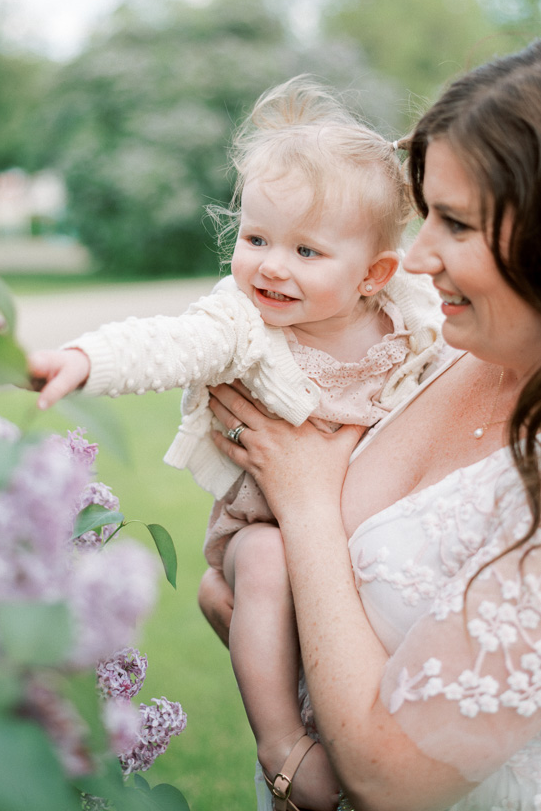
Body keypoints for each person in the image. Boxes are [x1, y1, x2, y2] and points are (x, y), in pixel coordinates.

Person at [28, 76, 444, 811]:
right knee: (263, 564)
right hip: (268, 520)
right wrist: (85, 359)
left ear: (374, 274)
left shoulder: (408, 312)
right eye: (255, 239)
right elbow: (168, 342)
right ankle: (281, 738)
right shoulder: (241, 324)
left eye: (306, 251)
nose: (270, 265)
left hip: (364, 517)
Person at [203, 40, 541, 811]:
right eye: (424, 213)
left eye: (454, 224)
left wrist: (306, 499)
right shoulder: (447, 353)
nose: (415, 259)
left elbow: (393, 778)